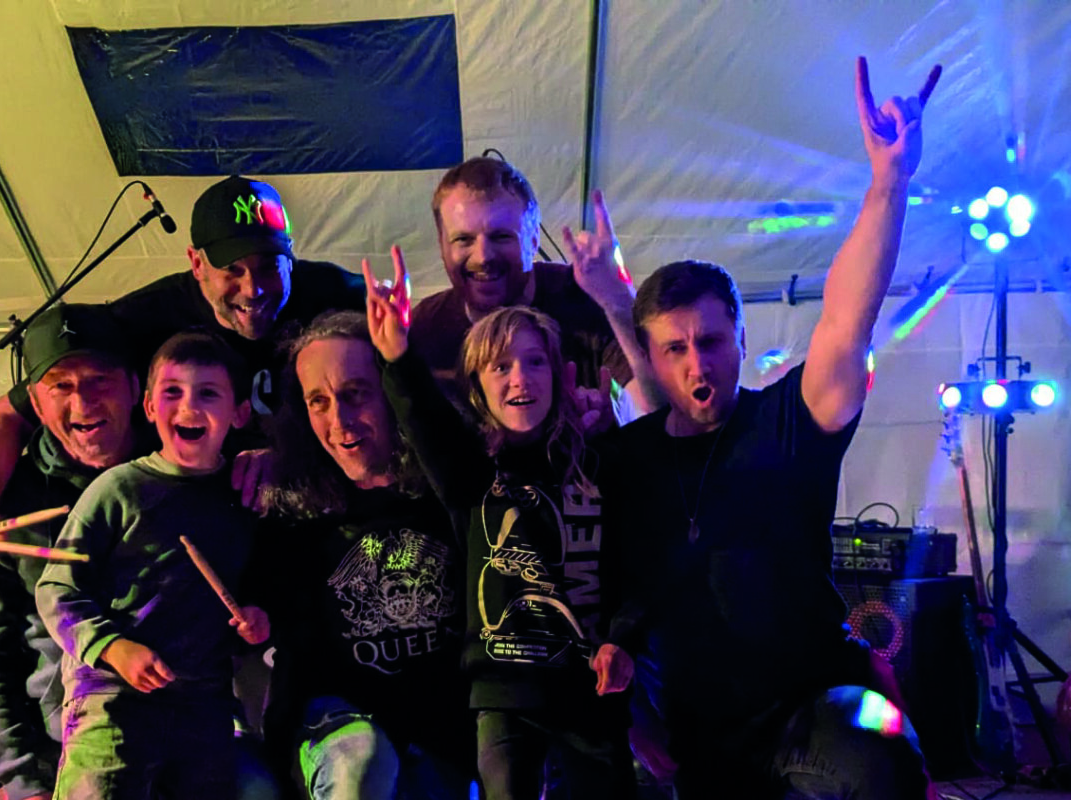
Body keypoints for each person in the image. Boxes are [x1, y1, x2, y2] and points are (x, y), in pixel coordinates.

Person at [601, 58, 943, 798]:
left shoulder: (784, 420)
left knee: (883, 755)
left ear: (741, 340)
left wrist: (888, 183)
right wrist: (632, 715)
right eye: (675, 349)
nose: (697, 363)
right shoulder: (628, 459)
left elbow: (846, 324)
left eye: (711, 341)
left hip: (811, 707)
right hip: (696, 731)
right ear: (651, 360)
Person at [0, 175, 365, 560]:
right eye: (232, 270)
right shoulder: (140, 319)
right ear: (196, 263)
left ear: (291, 256)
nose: (253, 289)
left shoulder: (340, 296)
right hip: (199, 525)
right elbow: (6, 417)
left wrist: (291, 455)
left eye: (269, 266)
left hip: (323, 509)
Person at [365, 250, 636, 799]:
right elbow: (425, 419)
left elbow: (635, 564)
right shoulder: (470, 473)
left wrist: (623, 639)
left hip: (590, 686)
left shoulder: (601, 463)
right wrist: (397, 355)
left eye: (535, 362)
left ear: (559, 373)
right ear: (477, 386)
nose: (520, 379)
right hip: (505, 691)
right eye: (500, 366)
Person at [36, 331, 271, 799]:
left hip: (204, 705)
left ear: (240, 413)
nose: (188, 406)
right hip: (112, 698)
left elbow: (256, 587)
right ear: (148, 406)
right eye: (172, 392)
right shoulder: (117, 489)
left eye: (208, 394)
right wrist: (113, 647)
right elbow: (56, 589)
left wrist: (257, 617)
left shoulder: (244, 496)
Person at [258, 311, 470, 800]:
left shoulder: (452, 491)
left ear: (392, 393)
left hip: (446, 730)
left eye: (355, 394)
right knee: (362, 765)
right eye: (318, 401)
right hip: (336, 721)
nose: (339, 421)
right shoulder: (289, 509)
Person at [0, 303, 144, 800]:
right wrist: (21, 778)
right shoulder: (4, 505)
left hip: (188, 738)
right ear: (35, 407)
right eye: (60, 385)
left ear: (135, 388)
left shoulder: (181, 477)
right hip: (62, 747)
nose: (82, 401)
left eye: (100, 380)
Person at [410, 157, 659, 413]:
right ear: (442, 246)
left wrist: (618, 301)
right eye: (463, 239)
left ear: (533, 240)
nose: (483, 257)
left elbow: (656, 407)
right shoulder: (425, 326)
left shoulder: (583, 296)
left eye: (501, 236)